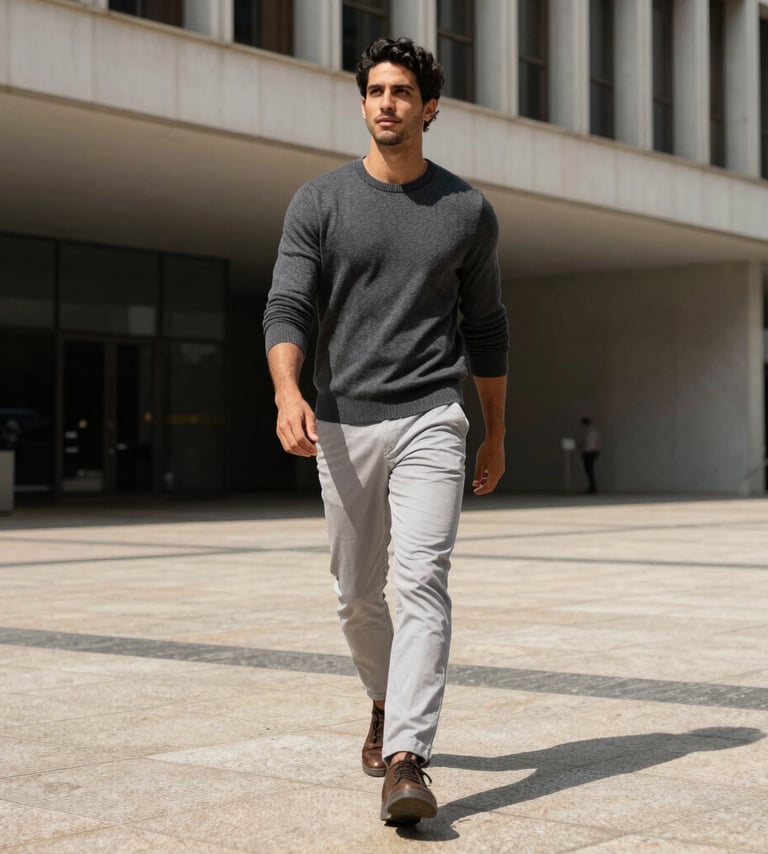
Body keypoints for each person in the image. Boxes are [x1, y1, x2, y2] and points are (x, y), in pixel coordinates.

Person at [263, 36, 509, 826]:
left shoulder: (466, 211)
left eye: (403, 91)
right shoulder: (320, 202)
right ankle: (382, 697)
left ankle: (408, 757)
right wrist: (286, 390)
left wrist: (493, 431)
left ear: (429, 107)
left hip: (433, 414)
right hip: (341, 418)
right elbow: (288, 305)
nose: (387, 103)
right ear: (363, 102)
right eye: (376, 91)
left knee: (422, 578)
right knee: (356, 595)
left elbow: (486, 328)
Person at [579, 416, 601, 494]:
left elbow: (586, 443)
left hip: (589, 453)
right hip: (592, 452)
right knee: (589, 470)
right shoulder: (594, 431)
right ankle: (592, 487)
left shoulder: (588, 431)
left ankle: (592, 488)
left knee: (589, 470)